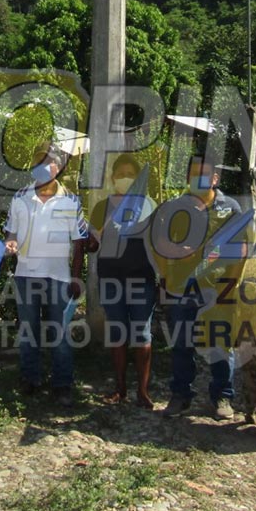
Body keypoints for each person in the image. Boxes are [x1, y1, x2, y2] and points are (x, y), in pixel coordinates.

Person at [151, 157, 246, 420]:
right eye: (194, 174)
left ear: (216, 178)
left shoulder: (231, 207)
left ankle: (222, 398)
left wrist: (231, 284)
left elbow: (241, 249)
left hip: (217, 289)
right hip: (182, 289)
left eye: (205, 174)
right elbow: (159, 243)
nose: (200, 179)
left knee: (220, 344)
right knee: (182, 344)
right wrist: (167, 274)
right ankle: (180, 396)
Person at [4, 144, 88, 407]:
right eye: (38, 160)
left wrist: (76, 277)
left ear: (58, 166)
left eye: (48, 161)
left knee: (60, 334)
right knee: (28, 330)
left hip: (59, 277)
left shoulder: (71, 200)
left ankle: (62, 384)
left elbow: (80, 242)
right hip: (25, 275)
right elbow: (11, 233)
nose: (43, 166)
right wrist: (10, 243)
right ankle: (30, 379)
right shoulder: (19, 196)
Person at [87, 154, 158, 409]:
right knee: (117, 334)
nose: (125, 178)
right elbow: (92, 246)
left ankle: (143, 390)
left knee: (142, 335)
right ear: (113, 178)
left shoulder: (150, 205)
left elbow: (160, 244)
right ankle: (119, 388)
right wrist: (92, 238)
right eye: (121, 174)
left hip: (143, 280)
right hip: (111, 279)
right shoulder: (101, 208)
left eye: (131, 174)